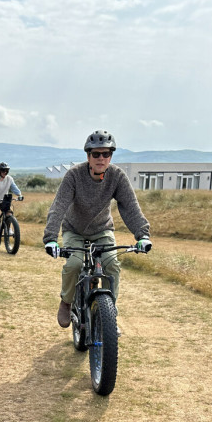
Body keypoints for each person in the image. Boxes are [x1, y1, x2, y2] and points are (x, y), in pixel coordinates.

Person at [43, 130, 151, 329]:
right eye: (96, 154)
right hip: (74, 230)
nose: (101, 158)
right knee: (74, 264)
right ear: (88, 156)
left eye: (106, 154)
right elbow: (59, 206)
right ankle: (66, 302)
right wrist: (50, 238)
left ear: (110, 156)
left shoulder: (117, 176)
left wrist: (142, 234)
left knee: (112, 265)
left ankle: (109, 313)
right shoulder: (74, 175)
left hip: (102, 230)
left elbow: (130, 207)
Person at [0, 162, 22, 243]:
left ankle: (8, 227)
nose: (5, 172)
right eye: (3, 170)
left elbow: (14, 188)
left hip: (3, 200)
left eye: (6, 170)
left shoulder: (9, 179)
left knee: (9, 212)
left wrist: (20, 195)